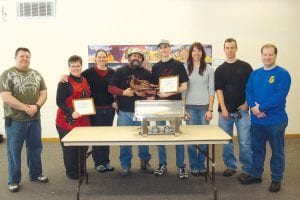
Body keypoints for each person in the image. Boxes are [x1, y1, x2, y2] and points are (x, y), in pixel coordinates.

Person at [240, 44, 291, 193]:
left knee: (277, 151)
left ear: (275, 55)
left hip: (275, 121)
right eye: (265, 54)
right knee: (257, 150)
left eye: (270, 54)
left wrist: (260, 108)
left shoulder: (283, 74)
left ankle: (276, 179)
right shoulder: (255, 73)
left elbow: (279, 96)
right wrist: (253, 108)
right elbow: (248, 91)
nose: (267, 57)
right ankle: (256, 174)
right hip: (257, 121)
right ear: (261, 55)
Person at [0, 47, 48, 193]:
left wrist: (36, 106)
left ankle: (36, 174)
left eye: (27, 56)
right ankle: (13, 180)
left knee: (35, 149)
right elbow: (6, 97)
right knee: (13, 151)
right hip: (15, 120)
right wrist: (25, 108)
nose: (25, 59)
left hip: (34, 120)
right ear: (16, 57)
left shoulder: (36, 74)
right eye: (22, 56)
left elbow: (44, 93)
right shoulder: (7, 74)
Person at [108, 48, 154, 176]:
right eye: (134, 56)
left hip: (143, 112)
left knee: (144, 138)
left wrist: (147, 92)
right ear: (129, 57)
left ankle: (145, 161)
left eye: (139, 57)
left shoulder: (147, 73)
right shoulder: (120, 71)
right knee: (124, 140)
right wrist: (123, 93)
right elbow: (111, 88)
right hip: (124, 112)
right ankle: (125, 165)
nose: (136, 58)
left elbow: (153, 90)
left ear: (142, 60)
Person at [214, 38, 253, 179]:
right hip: (225, 113)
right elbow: (219, 91)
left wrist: (247, 103)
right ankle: (230, 166)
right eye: (227, 48)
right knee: (227, 141)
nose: (230, 50)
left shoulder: (246, 67)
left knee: (245, 141)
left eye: (232, 47)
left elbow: (251, 87)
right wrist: (223, 108)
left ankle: (247, 169)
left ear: (236, 48)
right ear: (224, 49)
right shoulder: (219, 70)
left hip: (242, 111)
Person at [151, 39, 189, 179]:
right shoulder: (155, 67)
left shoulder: (178, 65)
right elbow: (154, 87)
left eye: (166, 47)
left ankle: (181, 166)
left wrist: (169, 93)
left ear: (170, 48)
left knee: (177, 135)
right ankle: (162, 164)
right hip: (160, 106)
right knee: (160, 135)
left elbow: (184, 86)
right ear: (159, 50)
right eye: (161, 47)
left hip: (175, 105)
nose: (164, 49)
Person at [56, 55, 91, 179]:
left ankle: (81, 168)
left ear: (81, 66)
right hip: (67, 121)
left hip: (83, 120)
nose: (75, 68)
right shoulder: (64, 82)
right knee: (70, 149)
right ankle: (72, 172)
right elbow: (59, 101)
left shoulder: (84, 80)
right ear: (69, 67)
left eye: (78, 65)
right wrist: (71, 112)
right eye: (73, 66)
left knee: (82, 147)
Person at [183, 42, 215, 176]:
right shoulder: (186, 68)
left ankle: (201, 165)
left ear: (202, 53)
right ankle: (193, 166)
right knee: (191, 140)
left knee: (203, 139)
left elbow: (211, 90)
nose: (196, 53)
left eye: (199, 51)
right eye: (194, 51)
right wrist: (183, 109)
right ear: (191, 53)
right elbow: (183, 91)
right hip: (190, 108)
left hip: (204, 109)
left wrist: (210, 109)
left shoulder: (209, 69)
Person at [81, 49, 116, 173]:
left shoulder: (112, 72)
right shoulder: (88, 73)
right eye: (99, 57)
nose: (102, 59)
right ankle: (98, 163)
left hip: (109, 110)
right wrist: (64, 77)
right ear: (95, 59)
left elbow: (116, 89)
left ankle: (106, 162)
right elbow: (75, 78)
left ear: (107, 59)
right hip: (95, 110)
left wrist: (116, 101)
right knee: (97, 137)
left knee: (106, 137)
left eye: (104, 57)